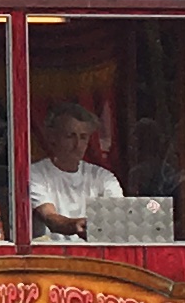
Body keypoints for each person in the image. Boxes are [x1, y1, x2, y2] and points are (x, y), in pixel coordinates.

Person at [27, 102, 123, 240]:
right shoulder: (35, 173)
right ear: (52, 137)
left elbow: (118, 215)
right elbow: (49, 217)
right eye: (70, 136)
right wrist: (75, 225)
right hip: (51, 251)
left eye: (83, 137)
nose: (78, 144)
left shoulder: (103, 177)